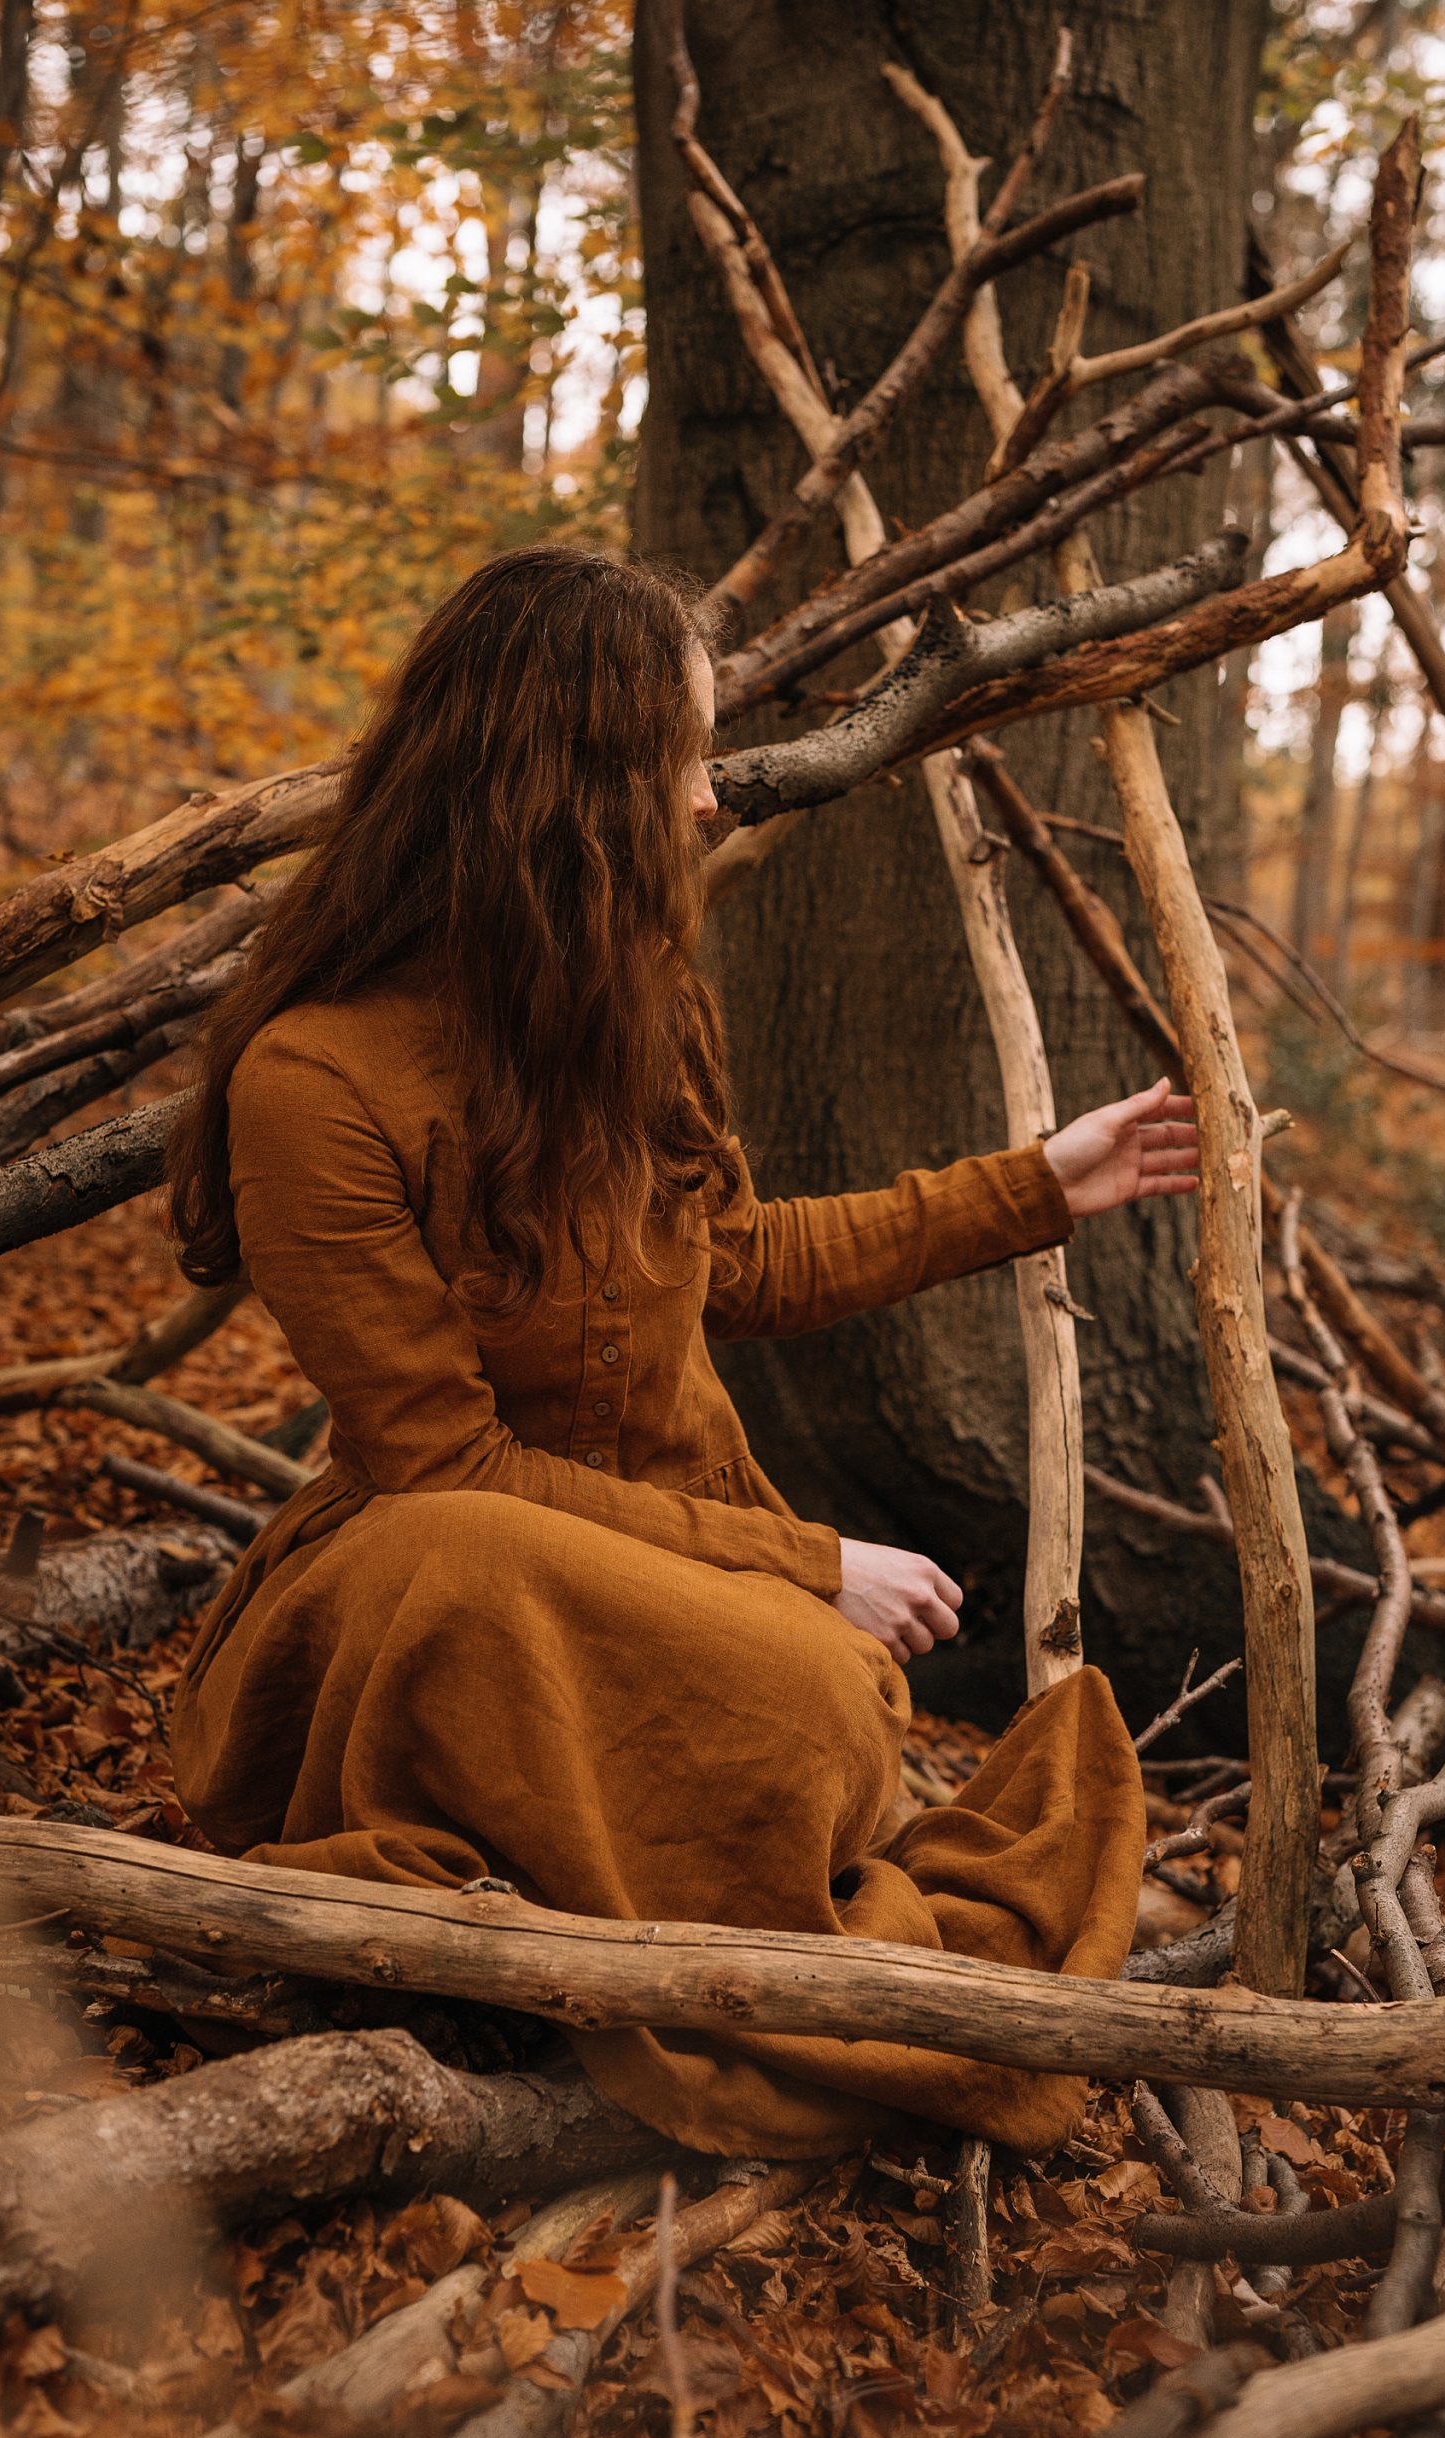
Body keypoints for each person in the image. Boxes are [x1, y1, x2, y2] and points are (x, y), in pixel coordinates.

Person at [166, 545, 1198, 2158]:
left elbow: (739, 1265)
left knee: (833, 1716)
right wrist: (800, 1562)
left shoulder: (626, 1004)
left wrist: (1034, 1187)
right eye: (684, 758)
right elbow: (439, 1469)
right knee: (784, 1687)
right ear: (565, 783)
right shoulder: (310, 1079)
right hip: (433, 1590)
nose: (712, 800)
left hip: (657, 1567)